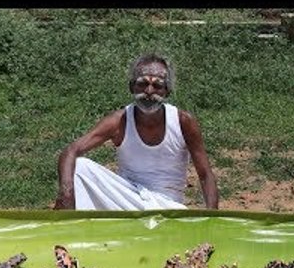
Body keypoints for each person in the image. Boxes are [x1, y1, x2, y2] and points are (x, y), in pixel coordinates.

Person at [53, 53, 219, 210]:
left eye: (157, 86)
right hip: (128, 202)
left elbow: (205, 175)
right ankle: (72, 225)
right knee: (80, 166)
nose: (149, 91)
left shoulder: (183, 122)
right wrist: (66, 194)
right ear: (132, 87)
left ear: (167, 91)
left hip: (167, 208)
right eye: (142, 84)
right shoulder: (119, 121)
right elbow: (71, 151)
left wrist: (213, 220)